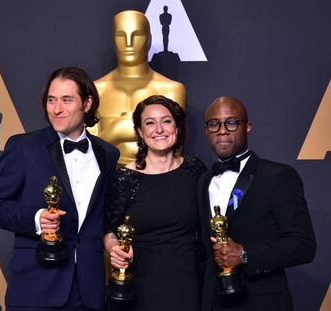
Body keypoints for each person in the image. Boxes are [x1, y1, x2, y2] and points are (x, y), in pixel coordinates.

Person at [0, 67, 120, 311]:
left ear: (87, 103)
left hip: (89, 290)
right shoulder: (23, 147)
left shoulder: (108, 153)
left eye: (67, 100)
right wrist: (37, 219)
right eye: (51, 100)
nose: (56, 109)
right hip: (37, 286)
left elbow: (104, 218)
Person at [198, 96, 316, 311]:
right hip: (214, 302)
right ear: (207, 131)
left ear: (248, 127)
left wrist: (244, 254)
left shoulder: (278, 176)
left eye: (231, 122)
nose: (222, 130)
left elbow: (303, 246)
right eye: (214, 124)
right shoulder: (203, 180)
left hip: (262, 302)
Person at [104, 95, 206, 311]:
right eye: (150, 122)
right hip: (138, 288)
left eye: (166, 121)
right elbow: (110, 232)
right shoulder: (124, 179)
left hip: (186, 286)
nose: (159, 129)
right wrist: (115, 250)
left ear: (177, 127)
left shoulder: (195, 170)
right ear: (140, 132)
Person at [94, 10, 186, 165]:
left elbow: (175, 150)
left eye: (136, 35)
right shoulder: (96, 89)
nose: (128, 43)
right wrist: (115, 132)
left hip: (157, 180)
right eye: (121, 36)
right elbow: (87, 152)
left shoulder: (171, 89)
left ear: (149, 40)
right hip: (107, 181)